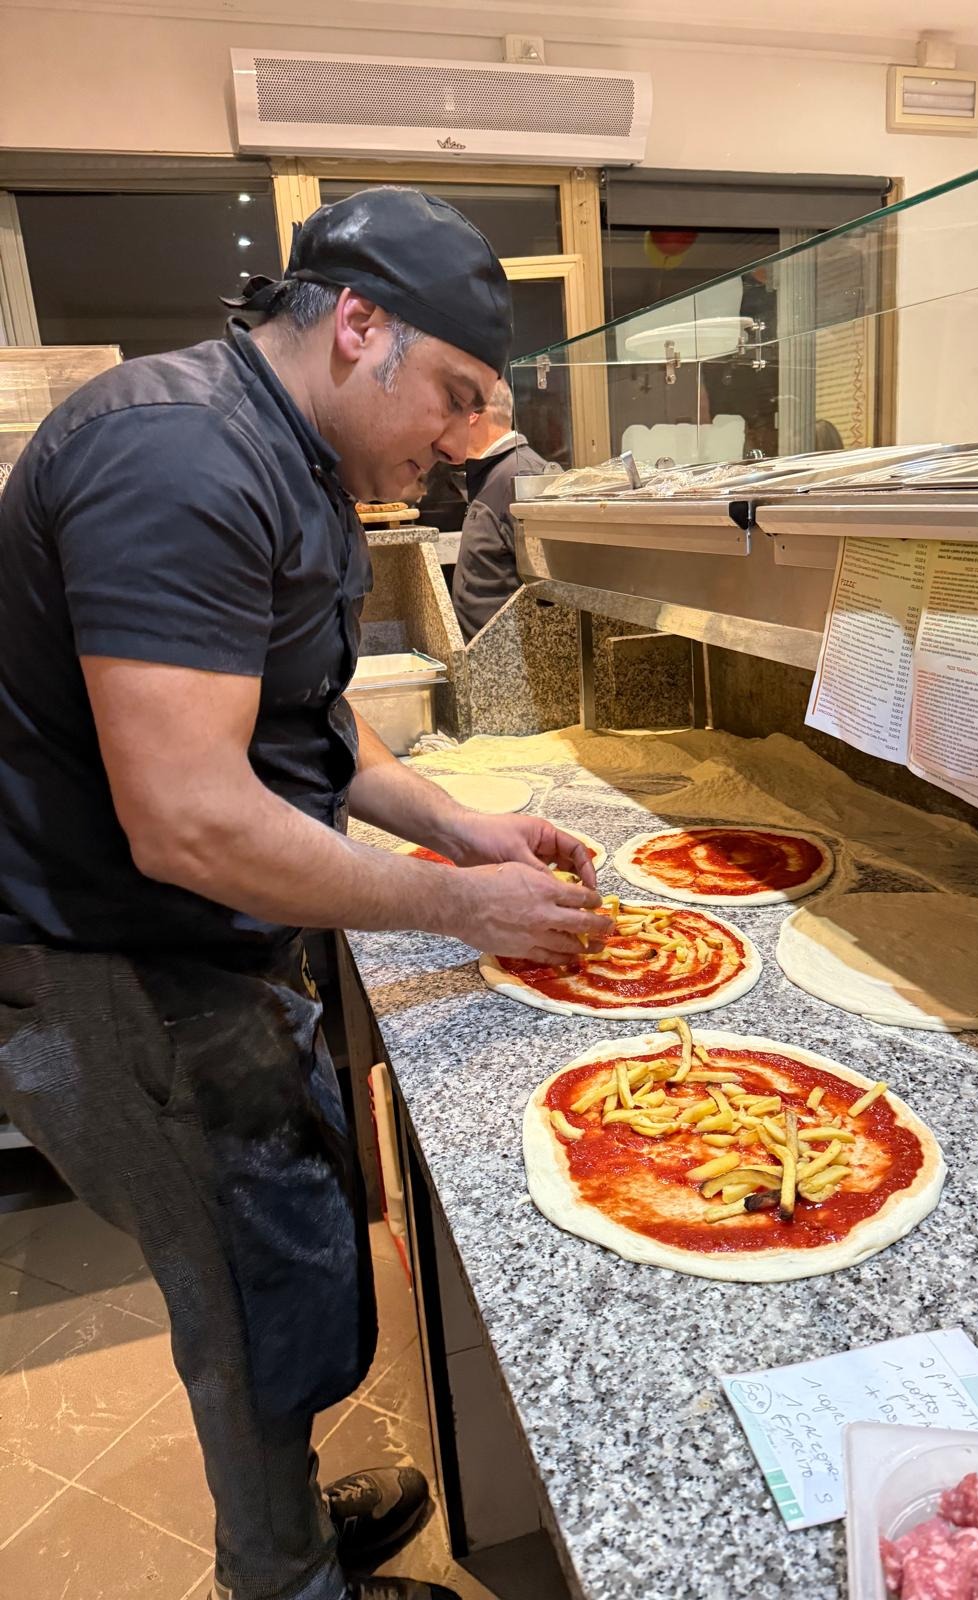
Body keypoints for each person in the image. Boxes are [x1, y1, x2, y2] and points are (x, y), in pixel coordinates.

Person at [0, 187, 611, 1600]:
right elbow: (189, 817)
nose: (460, 437)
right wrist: (457, 908)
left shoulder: (290, 455)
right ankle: (282, 1581)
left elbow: (305, 717)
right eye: (453, 394)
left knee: (280, 1265)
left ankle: (289, 1527)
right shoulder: (175, 457)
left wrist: (456, 828)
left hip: (193, 947)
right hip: (110, 963)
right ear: (359, 324)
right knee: (235, 1292)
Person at [450, 379, 553, 641]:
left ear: (472, 414)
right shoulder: (494, 473)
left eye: (447, 411)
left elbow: (551, 599)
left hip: (508, 661)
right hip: (483, 656)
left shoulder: (523, 475)